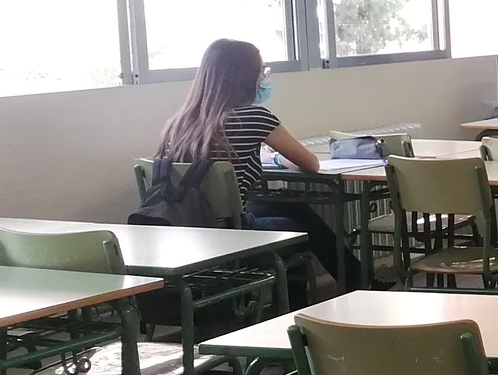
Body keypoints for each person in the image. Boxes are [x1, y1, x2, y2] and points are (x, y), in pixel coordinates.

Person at [153, 38, 359, 296]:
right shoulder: (254, 117)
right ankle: (317, 298)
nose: (264, 77)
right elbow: (309, 163)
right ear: (245, 77)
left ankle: (358, 280)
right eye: (262, 71)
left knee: (291, 206)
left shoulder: (179, 122)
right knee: (299, 227)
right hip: (233, 231)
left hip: (189, 225)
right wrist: (275, 158)